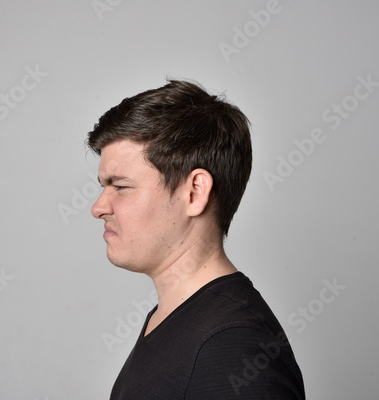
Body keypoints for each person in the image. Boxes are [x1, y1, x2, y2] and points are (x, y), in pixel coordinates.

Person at [87, 79, 305, 399]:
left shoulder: (232, 348)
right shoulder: (178, 318)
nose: (98, 208)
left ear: (194, 192)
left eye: (120, 186)